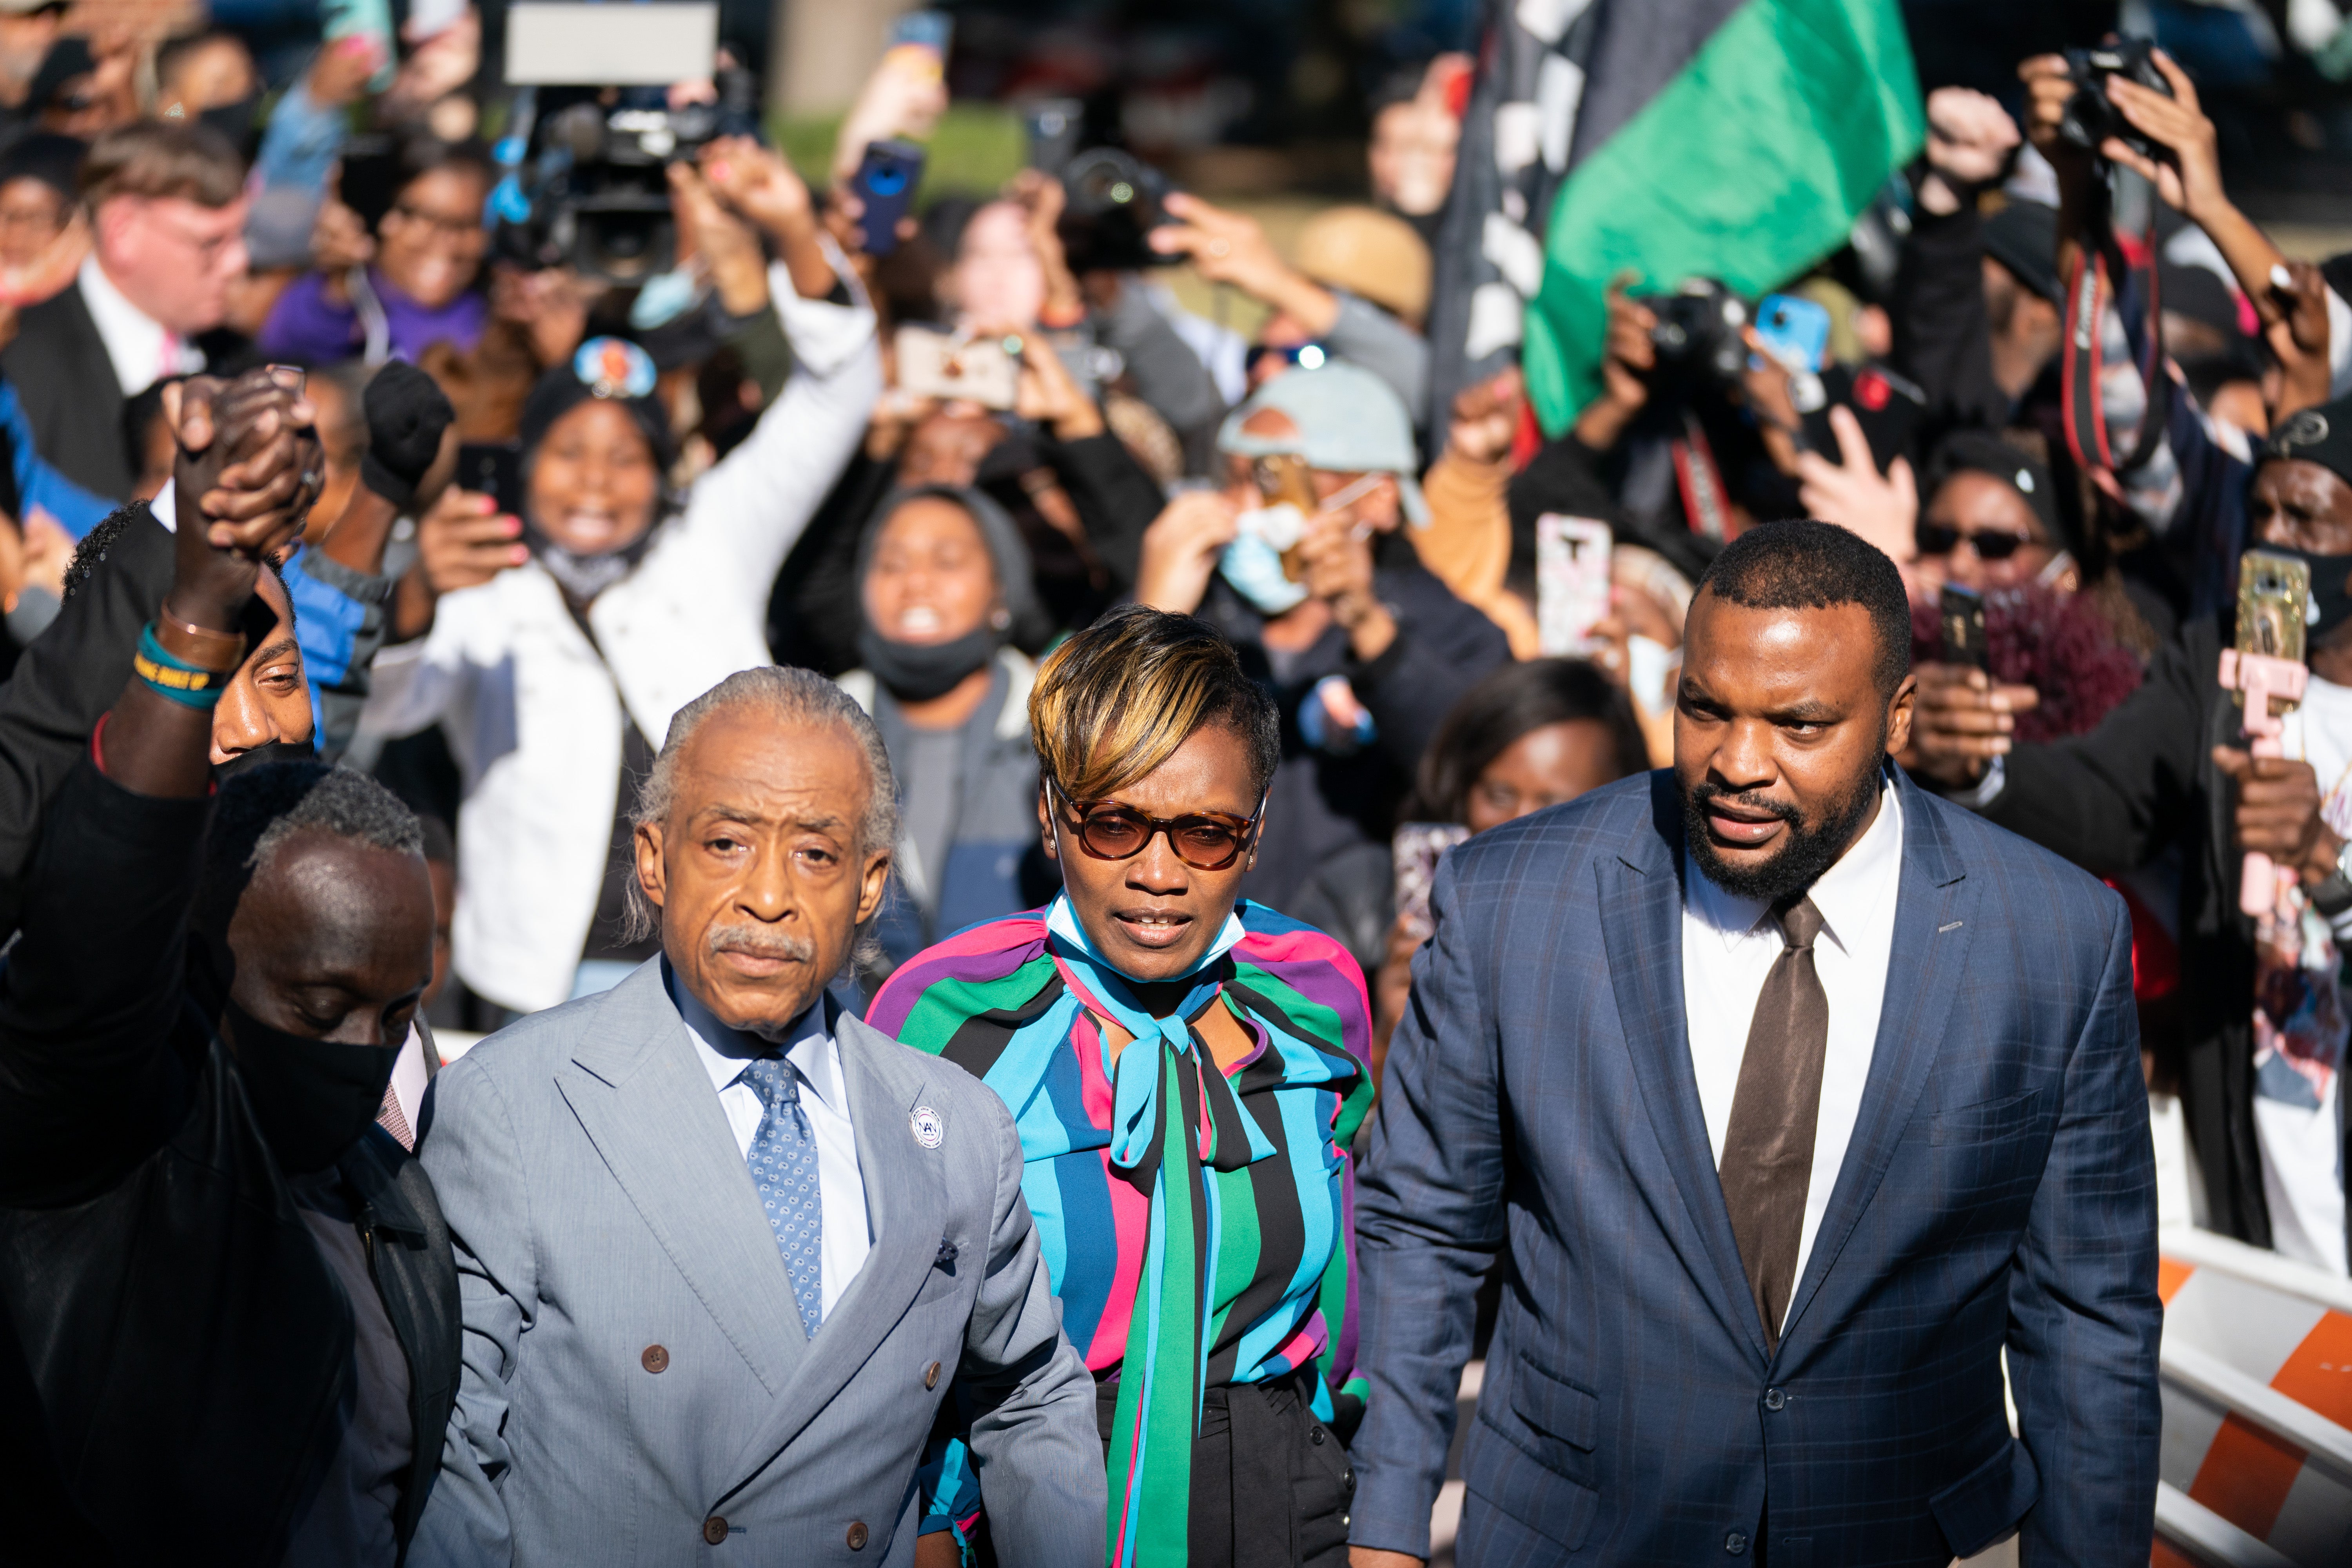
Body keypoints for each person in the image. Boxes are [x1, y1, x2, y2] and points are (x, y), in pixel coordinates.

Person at [1348, 518, 2160, 1564]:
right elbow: (1421, 1229)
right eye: (1704, 709)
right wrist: (1385, 1534)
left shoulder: (2051, 939)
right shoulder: (1514, 901)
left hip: (1897, 1537)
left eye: (1801, 726)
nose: (1737, 763)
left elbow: (2088, 1317)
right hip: (1575, 1534)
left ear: (1898, 717)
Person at [414, 664, 1105, 1564]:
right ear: (655, 859)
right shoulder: (514, 1103)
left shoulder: (958, 1130)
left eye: (815, 854)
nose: (768, 896)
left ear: (868, 884)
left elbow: (1030, 1396)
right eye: (727, 843)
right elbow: (449, 1442)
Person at [0, 371, 457, 1565]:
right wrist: (195, 603)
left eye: (278, 678)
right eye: (209, 686)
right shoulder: (86, 1044)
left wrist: (383, 499)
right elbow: (105, 907)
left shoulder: (323, 899)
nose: (254, 724)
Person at [867, 606, 1372, 1568]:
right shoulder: (944, 1014)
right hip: (1025, 1497)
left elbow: (1355, 1271)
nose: (1158, 873)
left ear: (1257, 831)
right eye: (1116, 823)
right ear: (1053, 816)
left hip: (1277, 1498)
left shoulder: (1313, 993)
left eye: (1206, 834)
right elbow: (899, 1323)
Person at [359, 136, 881, 1017]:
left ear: (663, 474)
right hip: (534, 984)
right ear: (529, 465)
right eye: (570, 452)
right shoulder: (482, 575)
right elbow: (381, 709)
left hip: (726, 964)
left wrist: (792, 225)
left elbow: (837, 389)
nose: (597, 480)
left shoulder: (713, 535)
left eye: (627, 457)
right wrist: (412, 598)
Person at [1911, 390, 2352, 1277]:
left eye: (2306, 516)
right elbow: (2106, 799)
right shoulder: (2215, 664)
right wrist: (1976, 768)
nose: (2275, 538)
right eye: (2260, 509)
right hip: (2261, 1188)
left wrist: (2328, 871)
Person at [1135, 361, 1510, 970]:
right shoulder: (1201, 619)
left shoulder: (1447, 630)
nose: (1244, 509)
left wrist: (1371, 632)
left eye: (1275, 479)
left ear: (1381, 497)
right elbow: (1072, 791)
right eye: (1232, 482)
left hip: (1343, 981)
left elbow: (1479, 767)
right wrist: (1149, 621)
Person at [1371, 658, 1649, 1062]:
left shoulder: (1655, 948)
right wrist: (1385, 1050)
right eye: (1499, 796)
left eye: (1557, 807)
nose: (1521, 827)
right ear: (1459, 787)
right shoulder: (1358, 909)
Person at [839, 482, 1051, 971]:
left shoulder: (1060, 730)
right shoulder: (818, 729)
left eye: (947, 561)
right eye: (891, 564)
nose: (916, 582)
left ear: (1002, 588)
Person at [2, 118, 250, 500]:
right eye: (210, 243)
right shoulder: (20, 363)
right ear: (123, 232)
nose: (238, 261)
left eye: (239, 236)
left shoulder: (237, 356)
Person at [258, 132, 494, 367]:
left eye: (466, 225)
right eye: (425, 217)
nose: (447, 243)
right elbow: (292, 355)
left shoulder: (494, 321)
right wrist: (340, 286)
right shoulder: (323, 296)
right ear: (385, 217)